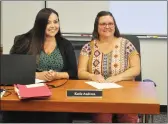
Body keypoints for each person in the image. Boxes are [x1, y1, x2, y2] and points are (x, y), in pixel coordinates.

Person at [3, 8, 77, 123]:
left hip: (57, 94)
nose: (53, 26)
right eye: (48, 22)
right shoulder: (24, 41)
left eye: (56, 21)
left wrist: (57, 75)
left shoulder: (65, 44)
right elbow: (12, 70)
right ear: (40, 24)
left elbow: (73, 72)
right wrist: (37, 75)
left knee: (60, 115)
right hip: (28, 93)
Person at [78, 11, 141, 123]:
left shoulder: (127, 44)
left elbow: (136, 69)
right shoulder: (88, 47)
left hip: (125, 92)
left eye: (110, 23)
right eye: (103, 24)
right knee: (102, 119)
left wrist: (118, 77)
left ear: (114, 26)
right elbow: (81, 72)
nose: (107, 27)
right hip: (99, 94)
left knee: (128, 118)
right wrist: (93, 76)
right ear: (96, 27)